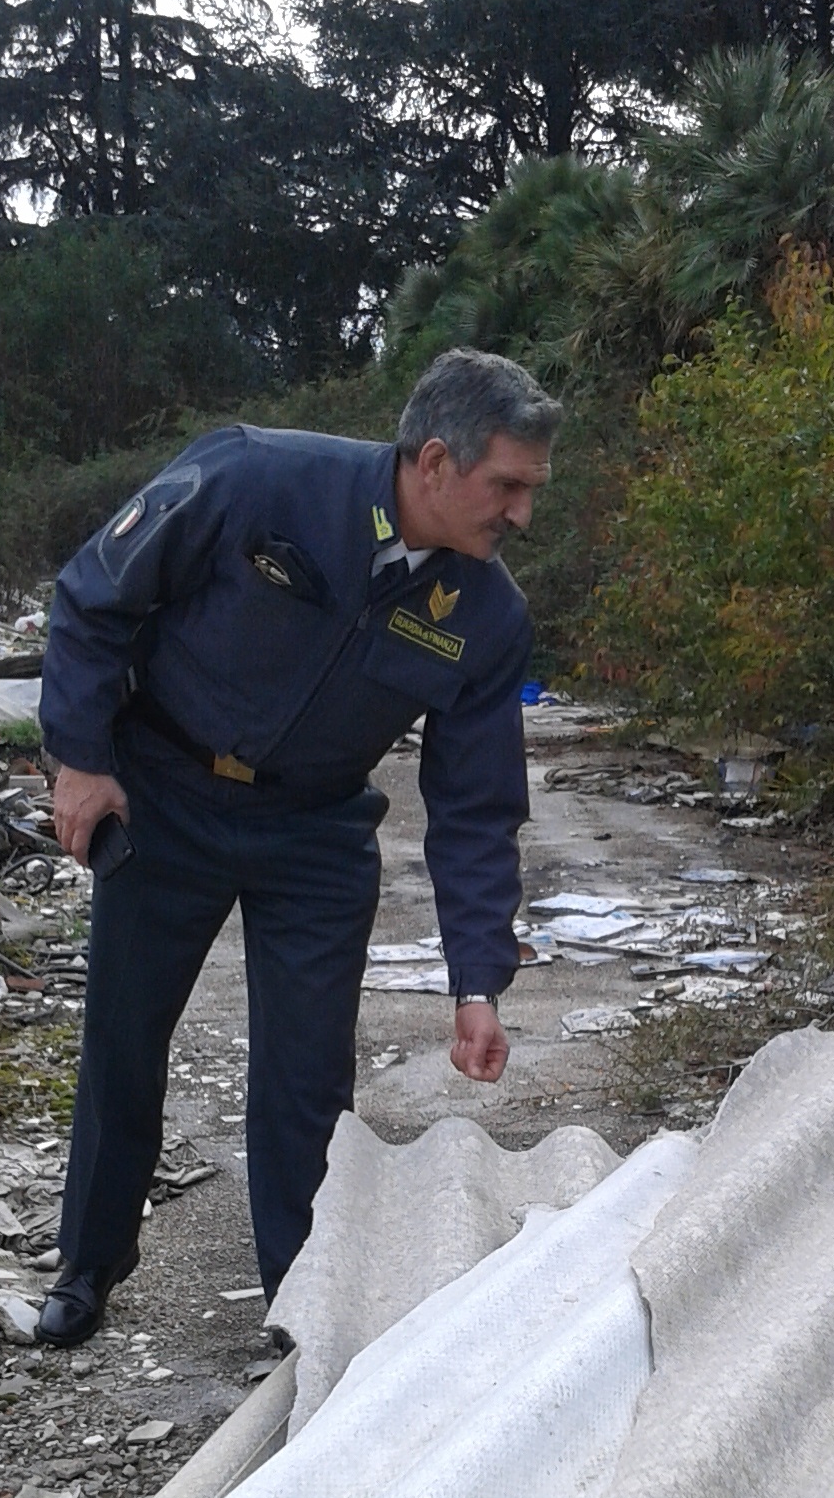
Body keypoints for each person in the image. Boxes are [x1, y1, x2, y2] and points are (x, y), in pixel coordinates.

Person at [34, 347, 560, 1349]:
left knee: (308, 1077)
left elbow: (476, 807)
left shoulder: (489, 617)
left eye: (531, 489)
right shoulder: (255, 478)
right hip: (168, 793)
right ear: (435, 462)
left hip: (316, 829)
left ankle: (301, 1295)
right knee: (125, 1040)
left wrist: (478, 979)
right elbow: (96, 595)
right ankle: (87, 1264)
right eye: (508, 486)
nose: (522, 514)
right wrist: (82, 757)